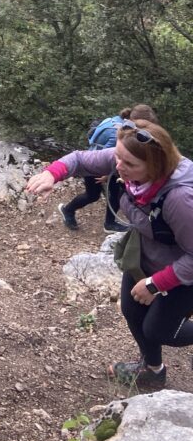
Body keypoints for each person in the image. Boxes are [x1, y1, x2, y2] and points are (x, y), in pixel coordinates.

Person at [27, 119, 193, 388]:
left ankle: (152, 365)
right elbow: (81, 160)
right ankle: (151, 370)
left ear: (156, 166)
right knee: (132, 308)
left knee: (159, 329)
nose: (118, 167)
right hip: (147, 253)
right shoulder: (128, 158)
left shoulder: (180, 199)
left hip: (183, 271)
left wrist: (155, 284)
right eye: (117, 158)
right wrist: (52, 174)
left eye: (129, 165)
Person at [57, 104, 158, 234]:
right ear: (136, 121)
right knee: (94, 195)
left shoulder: (117, 120)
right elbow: (109, 157)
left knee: (110, 192)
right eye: (145, 126)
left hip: (92, 158)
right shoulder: (120, 133)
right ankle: (69, 211)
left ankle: (108, 222)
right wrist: (106, 175)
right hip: (95, 165)